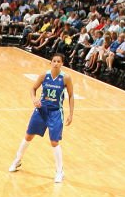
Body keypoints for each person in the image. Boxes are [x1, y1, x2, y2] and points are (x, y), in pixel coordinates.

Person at [8, 53, 75, 183]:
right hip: (41, 110)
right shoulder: (44, 75)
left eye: (58, 61)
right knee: (28, 136)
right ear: (50, 63)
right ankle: (17, 160)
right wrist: (34, 99)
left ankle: (59, 171)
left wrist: (71, 114)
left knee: (54, 141)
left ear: (62, 64)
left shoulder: (66, 78)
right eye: (54, 61)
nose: (56, 63)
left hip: (56, 112)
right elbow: (33, 88)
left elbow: (71, 96)